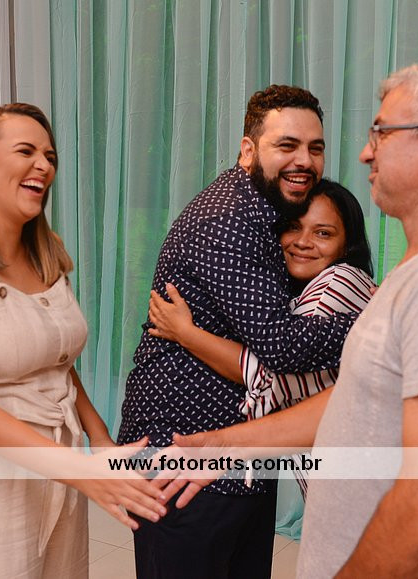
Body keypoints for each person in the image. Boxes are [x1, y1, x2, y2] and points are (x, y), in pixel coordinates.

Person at [169, 63, 418, 578]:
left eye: (382, 132)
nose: (365, 152)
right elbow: (355, 398)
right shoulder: (417, 272)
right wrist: (227, 444)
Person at [0, 103, 167, 578]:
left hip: (56, 466)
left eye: (49, 156)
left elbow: (56, 361)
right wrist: (82, 471)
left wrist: (99, 439)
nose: (44, 166)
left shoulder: (45, 251)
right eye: (26, 151)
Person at [117, 86, 358, 578]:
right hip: (182, 453)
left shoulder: (268, 210)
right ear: (248, 150)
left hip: (237, 455)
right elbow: (282, 347)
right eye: (287, 145)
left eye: (315, 148)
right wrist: (377, 325)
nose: (304, 160)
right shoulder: (227, 219)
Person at [146, 179, 376, 497]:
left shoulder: (338, 282)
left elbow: (273, 377)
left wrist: (187, 334)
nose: (303, 242)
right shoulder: (301, 290)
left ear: (347, 245)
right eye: (293, 227)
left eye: (323, 233)